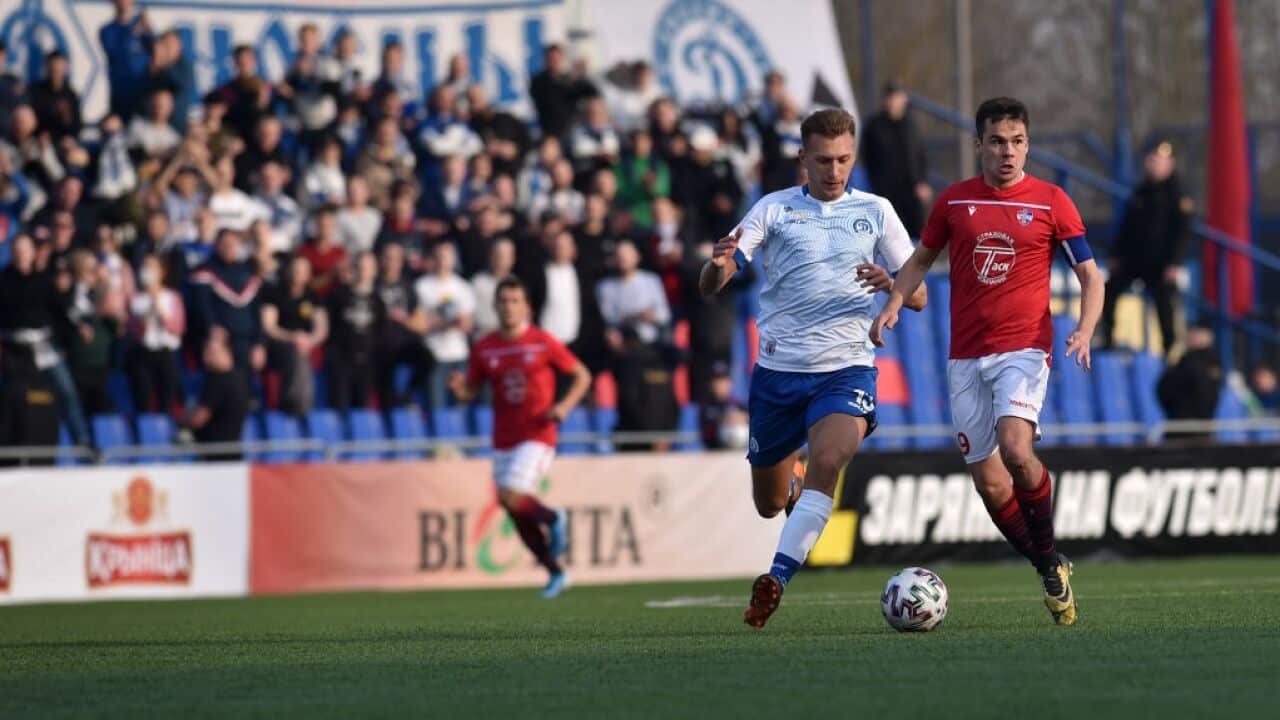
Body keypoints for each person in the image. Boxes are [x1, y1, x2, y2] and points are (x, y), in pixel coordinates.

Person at [872, 97, 1104, 627]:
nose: (1008, 152)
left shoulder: (1051, 201)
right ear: (978, 145)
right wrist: (892, 301)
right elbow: (920, 260)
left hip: (1024, 347)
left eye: (1018, 141)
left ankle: (1048, 567)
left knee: (1017, 451)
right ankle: (1050, 565)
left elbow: (1091, 275)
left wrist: (1085, 329)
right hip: (965, 356)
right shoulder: (955, 202)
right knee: (991, 483)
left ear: (1028, 144)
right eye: (997, 141)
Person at [700, 107, 925, 629]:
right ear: (803, 157)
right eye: (823, 159)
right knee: (768, 501)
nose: (834, 170)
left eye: (844, 159)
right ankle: (795, 496)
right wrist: (716, 267)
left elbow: (920, 297)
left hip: (846, 369)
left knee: (828, 460)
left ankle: (776, 578)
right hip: (778, 376)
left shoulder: (877, 210)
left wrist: (892, 282)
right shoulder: (773, 210)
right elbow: (717, 278)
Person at [449, 276, 593, 598]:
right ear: (495, 306)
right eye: (504, 301)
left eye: (515, 301)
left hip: (538, 433)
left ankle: (555, 518)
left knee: (511, 496)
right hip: (503, 438)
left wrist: (564, 406)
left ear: (526, 306)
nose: (509, 307)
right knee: (513, 509)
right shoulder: (485, 347)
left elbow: (582, 375)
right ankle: (555, 571)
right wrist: (460, 390)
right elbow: (471, 391)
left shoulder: (542, 341)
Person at [1101, 142, 1191, 355]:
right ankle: (1108, 338)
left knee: (1165, 304)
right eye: (1151, 161)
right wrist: (1115, 255)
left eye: (1159, 161)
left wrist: (1175, 262)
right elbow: (1126, 227)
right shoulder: (1141, 191)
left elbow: (1181, 232)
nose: (1154, 166)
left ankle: (1169, 348)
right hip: (1135, 259)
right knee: (1110, 289)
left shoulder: (1176, 194)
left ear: (1170, 164)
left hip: (1161, 262)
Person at [860, 82, 932, 237]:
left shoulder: (911, 125)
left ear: (904, 99)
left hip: (912, 193)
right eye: (889, 97)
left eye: (896, 97)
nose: (892, 101)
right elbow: (867, 158)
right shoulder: (874, 126)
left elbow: (920, 156)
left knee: (917, 236)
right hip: (886, 194)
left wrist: (922, 182)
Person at [261, 255, 329, 416]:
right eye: (295, 270)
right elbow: (269, 327)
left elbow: (322, 328)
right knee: (296, 352)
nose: (297, 274)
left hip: (305, 346)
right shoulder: (275, 294)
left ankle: (299, 401)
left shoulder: (313, 297)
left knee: (301, 352)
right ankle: (297, 402)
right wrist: (294, 337)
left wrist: (308, 340)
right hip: (279, 345)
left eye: (302, 271)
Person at [414, 242, 476, 408]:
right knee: (436, 405)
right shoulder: (422, 286)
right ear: (433, 259)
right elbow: (419, 324)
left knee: (461, 405)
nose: (443, 261)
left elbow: (468, 324)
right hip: (435, 354)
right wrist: (443, 324)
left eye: (447, 257)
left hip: (459, 354)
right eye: (439, 256)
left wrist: (460, 323)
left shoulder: (463, 287)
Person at [127, 253, 185, 416]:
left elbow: (178, 328)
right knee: (143, 397)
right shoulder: (137, 299)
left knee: (167, 398)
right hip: (144, 354)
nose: (147, 271)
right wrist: (143, 322)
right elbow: (132, 331)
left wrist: (161, 311)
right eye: (145, 266)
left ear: (161, 271)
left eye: (152, 267)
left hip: (166, 353)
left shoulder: (171, 296)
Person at [183, 327, 250, 461]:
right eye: (206, 351)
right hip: (233, 452)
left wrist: (180, 420)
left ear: (227, 351)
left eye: (212, 352)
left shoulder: (218, 380)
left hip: (215, 455)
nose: (206, 357)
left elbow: (199, 418)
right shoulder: (241, 377)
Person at [1156, 326, 1221, 443]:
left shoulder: (1188, 365)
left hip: (1182, 434)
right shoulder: (1213, 366)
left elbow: (1163, 390)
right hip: (1202, 433)